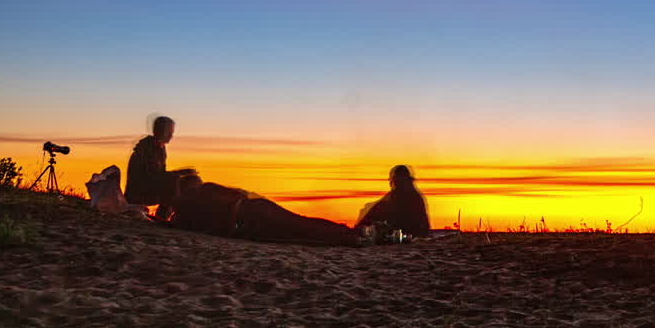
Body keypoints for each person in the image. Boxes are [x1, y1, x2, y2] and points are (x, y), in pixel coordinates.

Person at [170, 175, 358, 246]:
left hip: (250, 218)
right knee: (299, 222)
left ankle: (348, 235)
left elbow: (177, 223)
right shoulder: (207, 190)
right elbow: (240, 193)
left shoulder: (188, 210)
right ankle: (348, 233)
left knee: (296, 228)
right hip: (255, 208)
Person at [124, 114, 196, 220]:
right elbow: (152, 176)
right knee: (175, 182)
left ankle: (175, 216)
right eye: (170, 132)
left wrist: (181, 173)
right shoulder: (147, 147)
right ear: (162, 131)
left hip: (150, 187)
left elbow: (160, 175)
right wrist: (179, 173)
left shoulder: (160, 148)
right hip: (139, 192)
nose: (172, 135)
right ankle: (164, 217)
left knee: (189, 181)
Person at [355, 165, 431, 239]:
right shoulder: (397, 194)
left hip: (409, 230)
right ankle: (360, 229)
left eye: (397, 180)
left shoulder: (412, 197)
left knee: (380, 207)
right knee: (380, 207)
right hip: (406, 230)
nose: (395, 182)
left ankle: (359, 230)